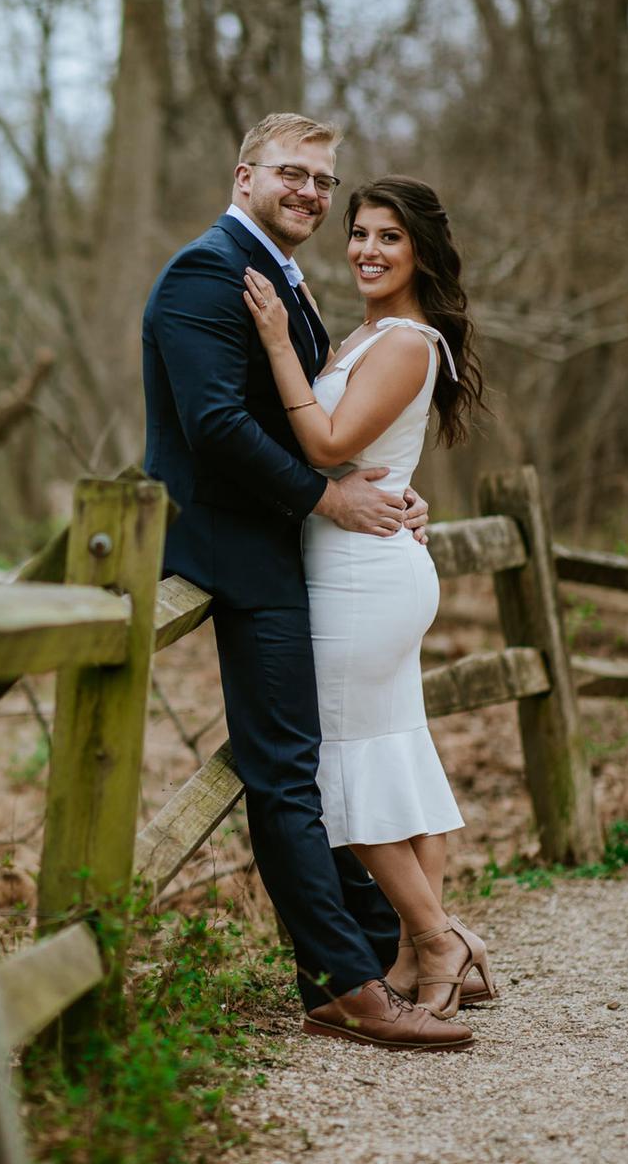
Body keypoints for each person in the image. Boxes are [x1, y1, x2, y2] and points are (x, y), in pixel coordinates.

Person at [142, 115, 472, 1051]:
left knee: (323, 762)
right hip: (247, 553)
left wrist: (385, 497)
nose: (314, 197)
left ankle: (389, 958)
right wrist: (330, 501)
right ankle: (365, 972)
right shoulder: (209, 271)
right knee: (305, 768)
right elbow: (215, 426)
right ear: (243, 174)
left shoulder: (302, 292)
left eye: (324, 182)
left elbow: (328, 430)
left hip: (320, 559)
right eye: (295, 175)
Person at [242, 172, 493, 1023]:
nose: (368, 250)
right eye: (360, 233)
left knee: (340, 763)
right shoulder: (368, 334)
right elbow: (370, 458)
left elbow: (326, 443)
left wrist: (278, 342)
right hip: (359, 562)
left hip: (361, 578)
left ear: (420, 250)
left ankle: (437, 937)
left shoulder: (408, 342)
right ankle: (416, 949)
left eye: (389, 236)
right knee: (394, 752)